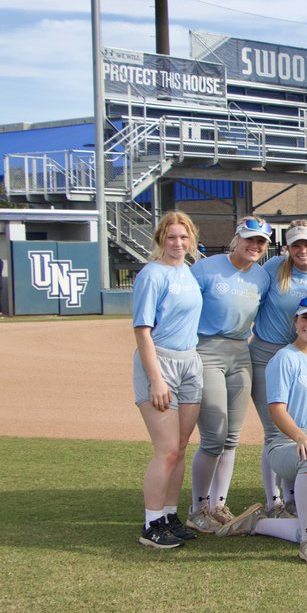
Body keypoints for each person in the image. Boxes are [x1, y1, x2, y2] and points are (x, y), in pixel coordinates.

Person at [185, 216, 272, 535]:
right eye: (249, 239)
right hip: (206, 349)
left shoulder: (262, 277)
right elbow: (183, 308)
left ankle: (218, 504)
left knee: (232, 437)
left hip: (240, 350)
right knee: (213, 437)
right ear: (236, 238)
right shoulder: (207, 269)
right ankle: (197, 508)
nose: (254, 245)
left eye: (261, 241)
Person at [250, 221, 307, 515]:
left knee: (300, 426)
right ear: (287, 247)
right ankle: (274, 499)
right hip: (267, 352)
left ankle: (293, 498)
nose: (302, 250)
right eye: (295, 245)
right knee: (275, 430)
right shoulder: (274, 267)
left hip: (305, 354)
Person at [249, 295, 307, 566]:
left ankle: (260, 523)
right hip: (289, 444)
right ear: (296, 322)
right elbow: (277, 409)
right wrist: (300, 436)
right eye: (306, 318)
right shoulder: (284, 358)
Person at [132, 211, 204, 549]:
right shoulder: (152, 274)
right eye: (172, 237)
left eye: (184, 237)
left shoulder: (188, 272)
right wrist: (156, 379)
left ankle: (170, 516)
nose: (178, 243)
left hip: (190, 362)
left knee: (180, 448)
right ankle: (151, 523)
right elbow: (142, 332)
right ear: (161, 239)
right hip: (161, 363)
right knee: (166, 450)